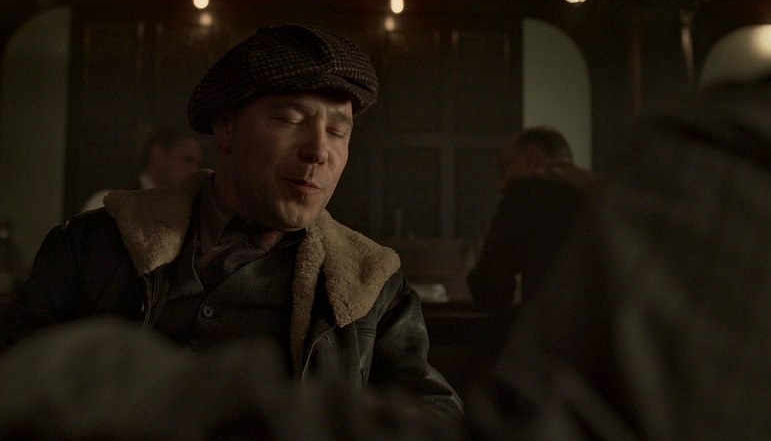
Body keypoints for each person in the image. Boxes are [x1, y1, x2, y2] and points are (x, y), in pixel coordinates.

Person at [0, 23, 463, 422]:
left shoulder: (373, 284)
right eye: (290, 119)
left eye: (338, 131)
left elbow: (433, 416)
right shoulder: (92, 244)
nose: (319, 151)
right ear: (226, 127)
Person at [467, 0, 771, 439]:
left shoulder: (725, 159)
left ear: (532, 159)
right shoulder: (604, 187)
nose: (500, 179)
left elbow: (489, 289)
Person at [467, 126, 601, 313]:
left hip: (552, 325)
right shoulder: (608, 191)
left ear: (532, 157)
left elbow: (490, 287)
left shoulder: (526, 191)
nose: (501, 185)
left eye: (503, 168)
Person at [79, 128, 204, 212]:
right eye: (187, 160)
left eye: (197, 164)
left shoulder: (181, 212)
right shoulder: (109, 203)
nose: (195, 171)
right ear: (158, 155)